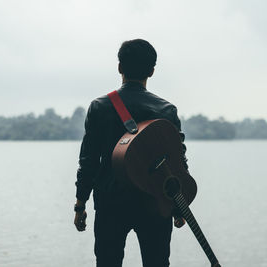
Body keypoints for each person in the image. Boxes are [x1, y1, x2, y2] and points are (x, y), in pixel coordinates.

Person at [74, 39, 189, 267]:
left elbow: (88, 161)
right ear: (152, 71)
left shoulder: (100, 107)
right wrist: (179, 205)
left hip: (110, 203)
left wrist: (80, 204)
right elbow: (178, 162)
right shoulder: (167, 110)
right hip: (155, 202)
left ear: (119, 67)